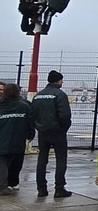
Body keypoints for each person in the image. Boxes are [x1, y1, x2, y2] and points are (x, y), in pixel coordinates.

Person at [31, 70, 72, 198]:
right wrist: (63, 128)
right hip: (57, 132)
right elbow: (65, 115)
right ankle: (59, 188)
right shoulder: (60, 95)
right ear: (58, 81)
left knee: (42, 159)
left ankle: (41, 189)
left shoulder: (38, 95)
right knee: (61, 159)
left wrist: (38, 126)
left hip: (43, 132)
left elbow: (33, 114)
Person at [0, 83, 34, 195]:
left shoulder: (2, 105)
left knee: (3, 161)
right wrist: (30, 134)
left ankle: (3, 185)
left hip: (3, 138)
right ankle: (13, 182)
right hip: (19, 138)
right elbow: (30, 122)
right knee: (16, 161)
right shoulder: (24, 105)